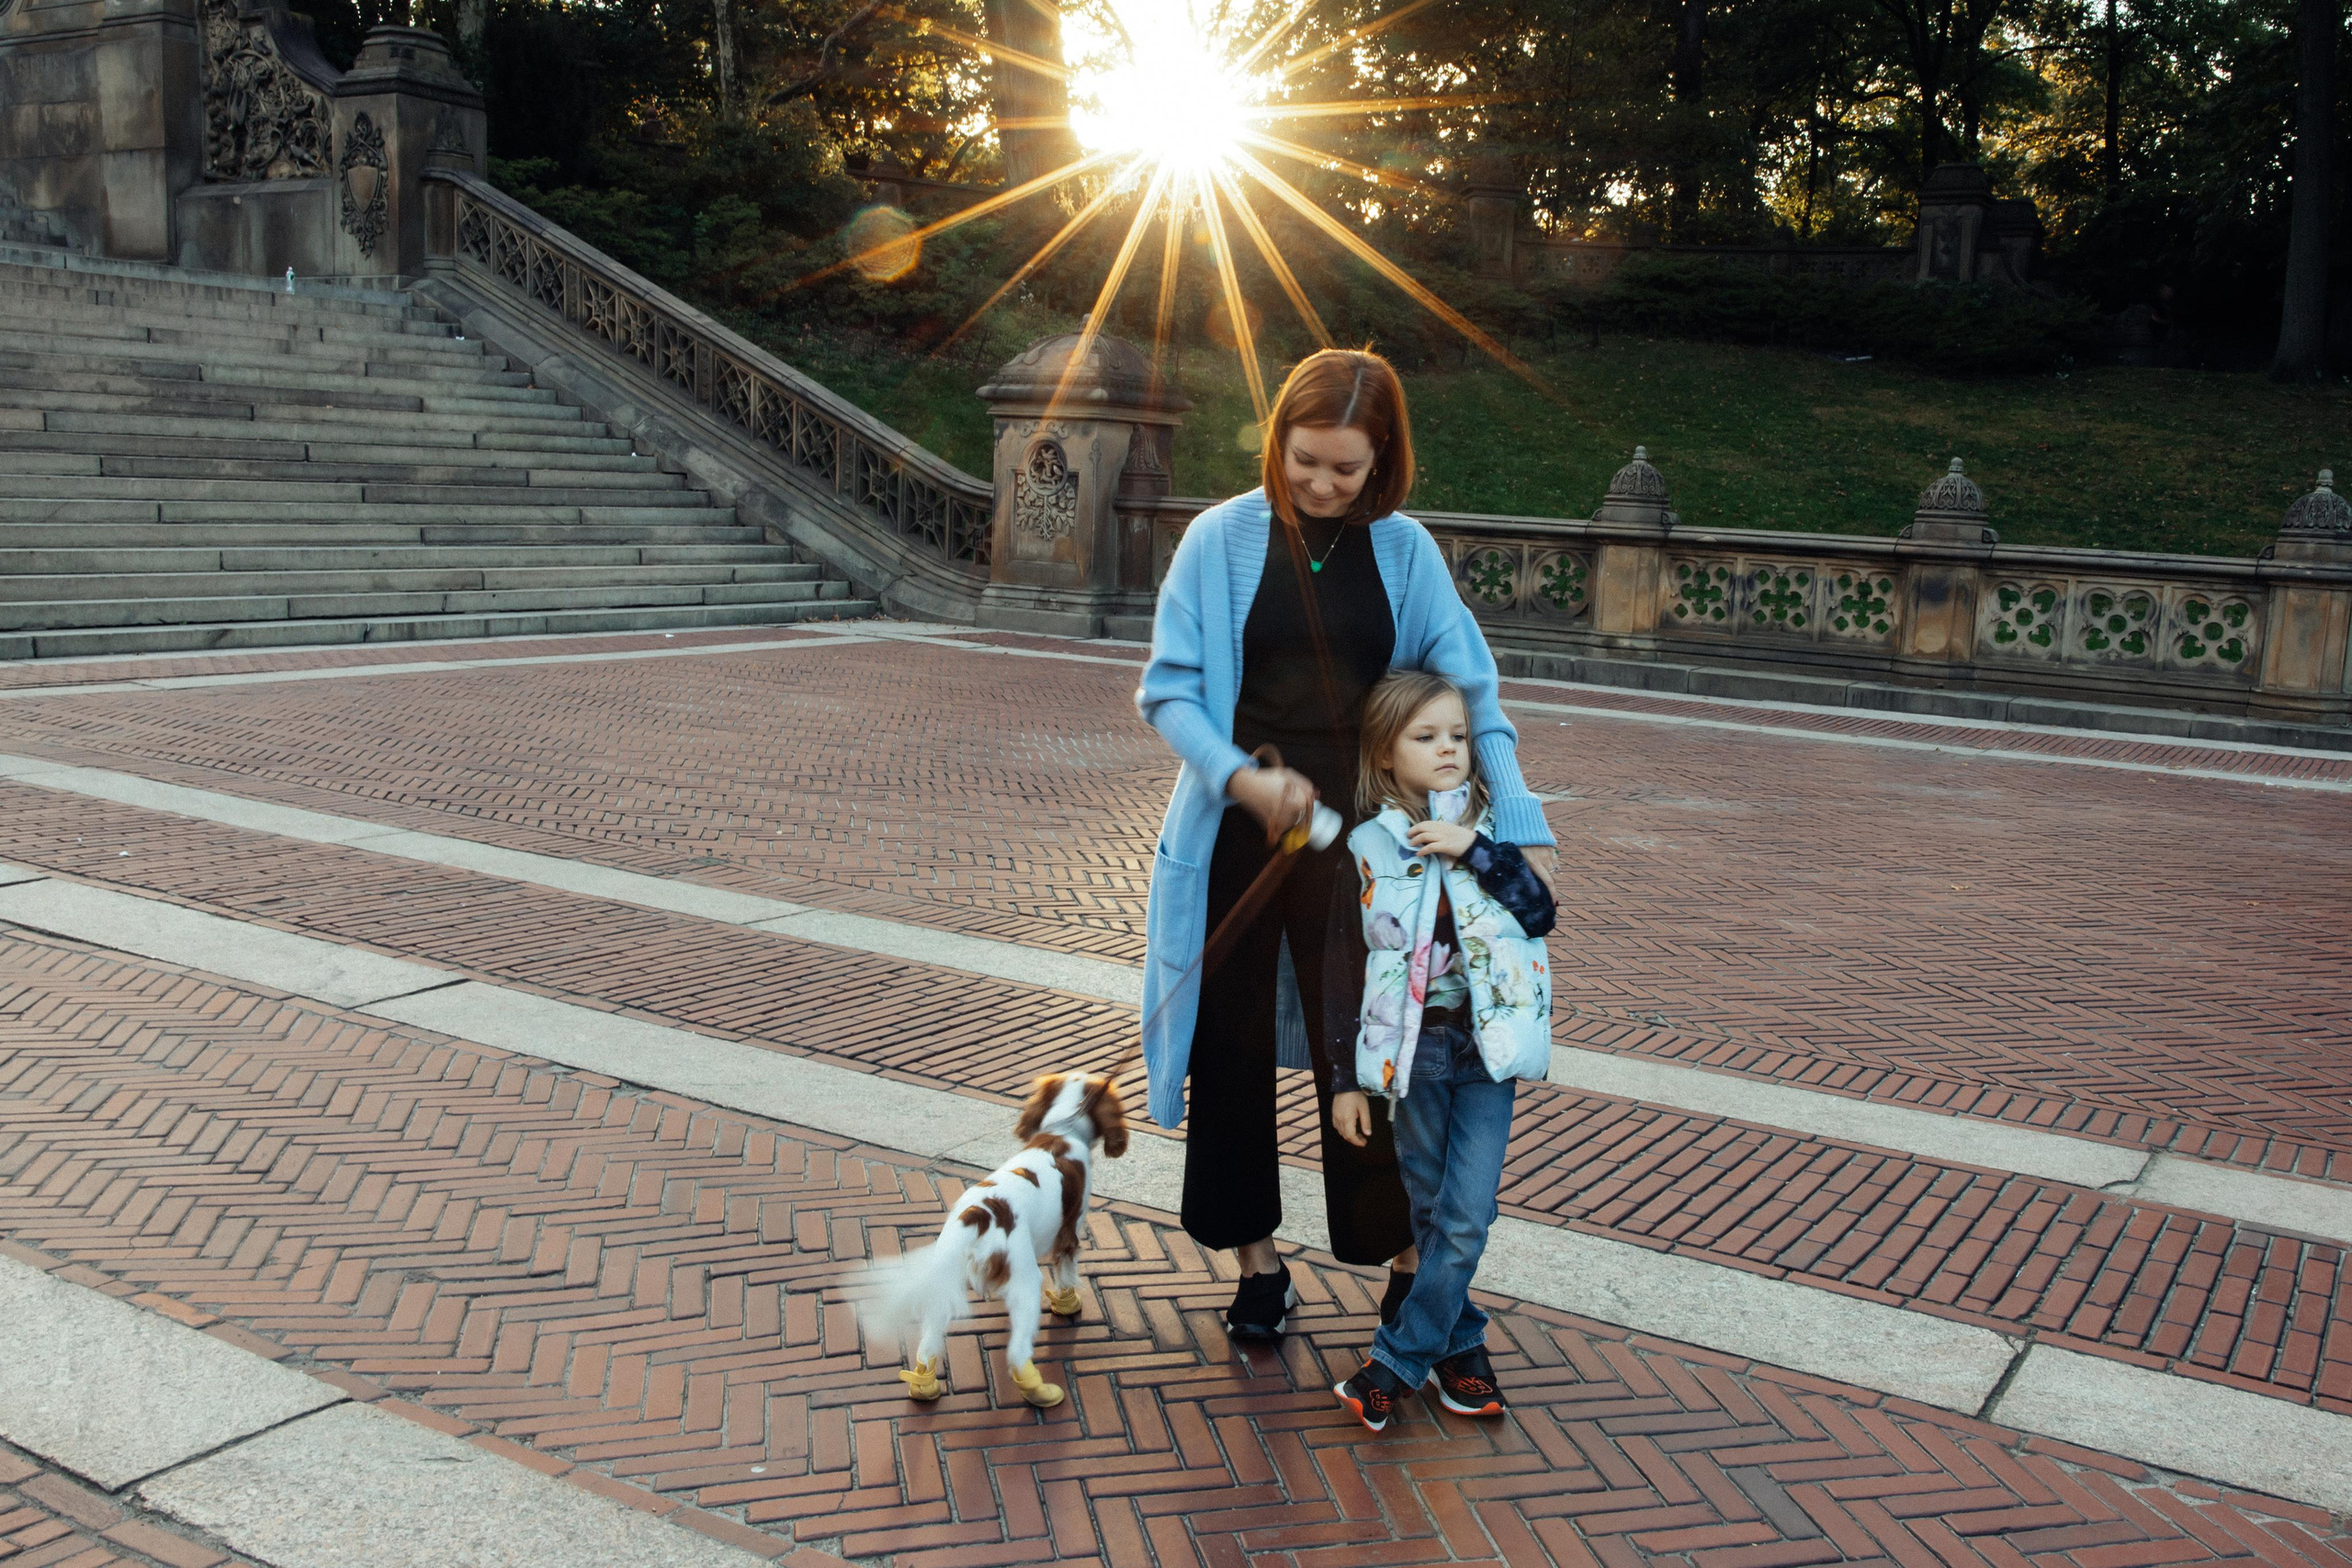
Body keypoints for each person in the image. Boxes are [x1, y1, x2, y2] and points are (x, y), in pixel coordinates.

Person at [1136, 348, 1557, 1342]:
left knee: (1377, 1049)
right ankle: (1255, 1262)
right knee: (1228, 1047)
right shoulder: (1217, 537)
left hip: (1371, 843)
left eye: (1345, 469)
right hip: (1242, 831)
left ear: (1383, 464)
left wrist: (1525, 823)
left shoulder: (1406, 553)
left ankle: (1403, 1259)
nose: (1321, 485)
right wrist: (1242, 778)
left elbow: (1473, 697)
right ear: (1277, 438)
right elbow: (1169, 691)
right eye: (1304, 461)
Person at [1326, 671, 1556, 1431]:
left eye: (1457, 734)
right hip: (1412, 1057)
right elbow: (1342, 964)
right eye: (1426, 737)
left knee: (1468, 1214)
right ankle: (1459, 1347)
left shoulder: (1497, 831)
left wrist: (1476, 850)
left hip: (1488, 1055)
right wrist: (1344, 1079)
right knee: (1432, 1213)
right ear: (1387, 755)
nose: (1449, 748)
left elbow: (1540, 910)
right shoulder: (1366, 846)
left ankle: (1393, 1361)